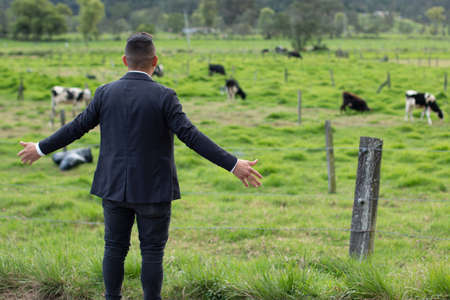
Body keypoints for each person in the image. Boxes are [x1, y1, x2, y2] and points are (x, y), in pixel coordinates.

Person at [17, 32, 262, 300]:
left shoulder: (104, 93)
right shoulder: (165, 96)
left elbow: (76, 128)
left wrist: (40, 148)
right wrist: (233, 164)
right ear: (155, 61)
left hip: (113, 188)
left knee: (113, 248)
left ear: (125, 60)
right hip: (153, 189)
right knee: (152, 252)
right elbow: (191, 136)